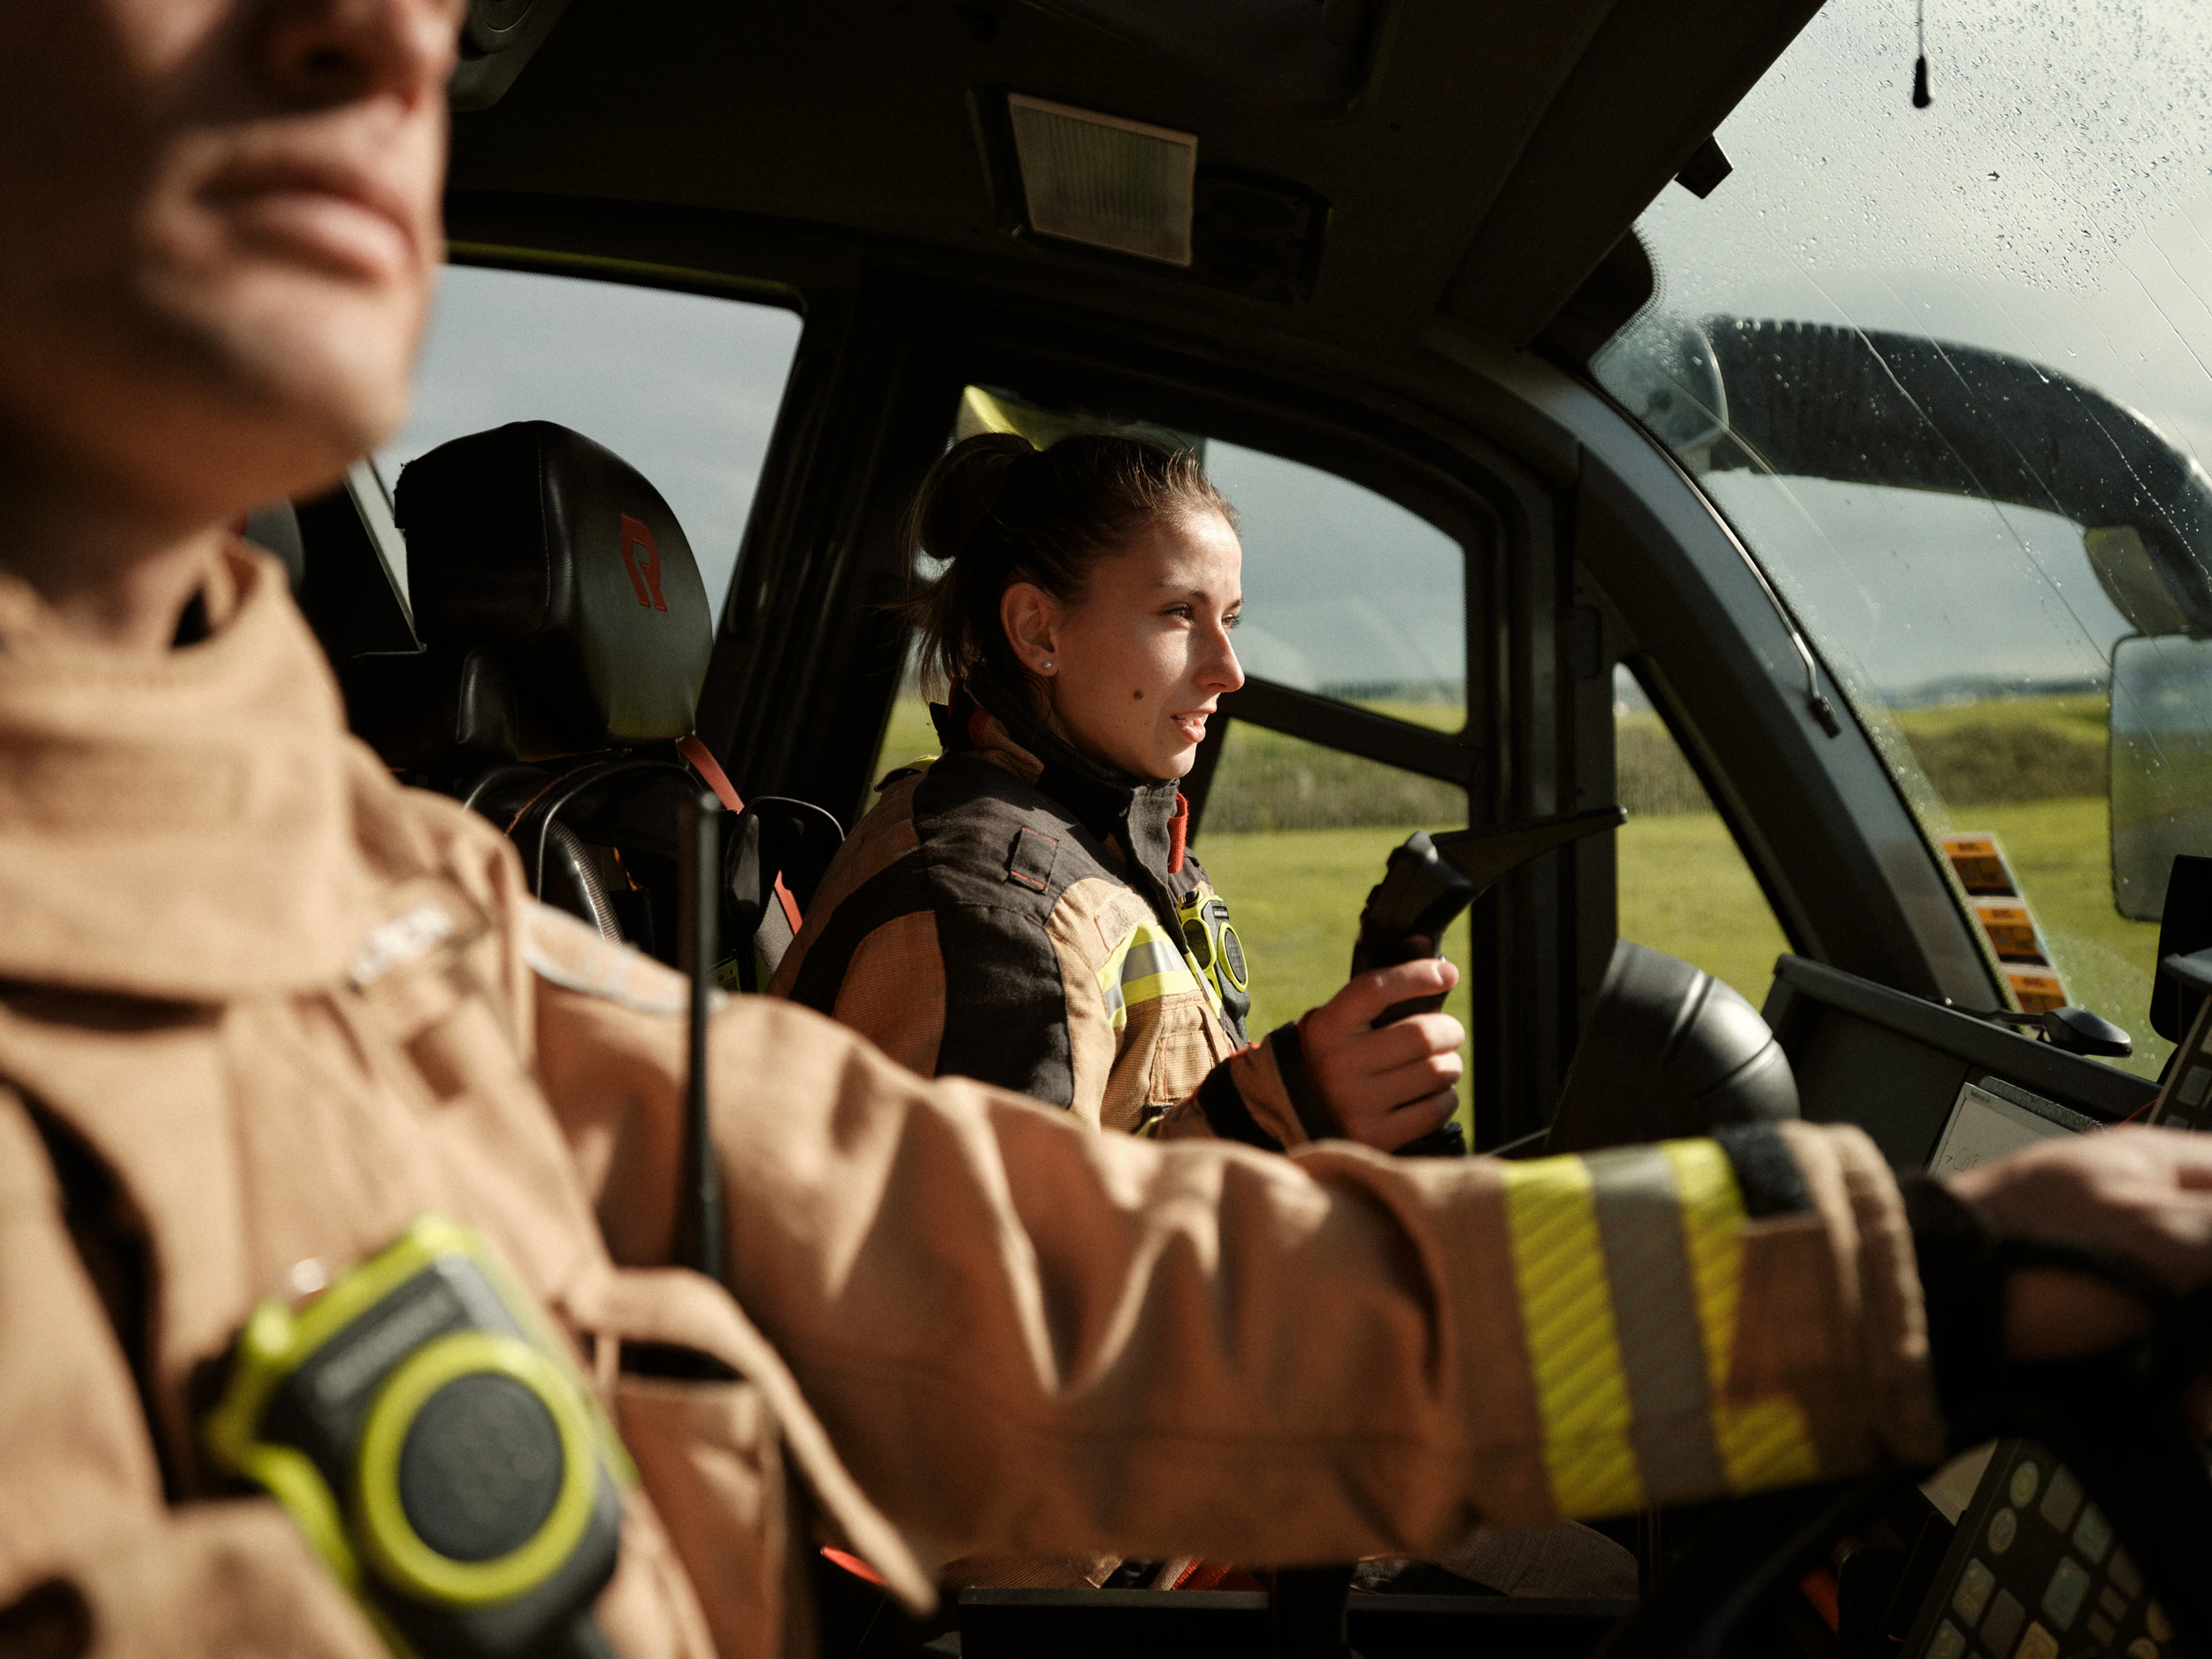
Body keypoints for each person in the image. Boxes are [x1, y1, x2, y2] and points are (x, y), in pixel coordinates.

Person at [3, 4, 2211, 1658]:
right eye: (1181, 621)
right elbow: (1007, 1447)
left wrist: (1890, 1280)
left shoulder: (383, 911)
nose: (380, 34)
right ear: (1034, 636)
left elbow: (1036, 1277)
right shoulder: (970, 891)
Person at [772, 430, 1465, 1157]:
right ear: (1038, 630)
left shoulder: (1100, 836)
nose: (1228, 670)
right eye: (1179, 613)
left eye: (1228, 619)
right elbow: (1003, 1260)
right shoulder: (992, 908)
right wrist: (1278, 1111)